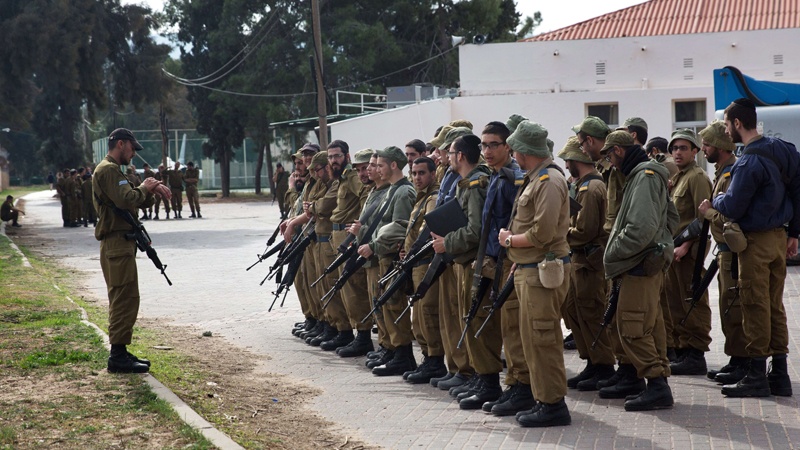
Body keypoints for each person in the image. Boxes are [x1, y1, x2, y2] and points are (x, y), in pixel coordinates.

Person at [704, 98, 799, 398]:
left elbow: (732, 205)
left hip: (755, 243)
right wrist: (794, 232)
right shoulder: (783, 149)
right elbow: (797, 189)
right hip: (778, 238)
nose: (726, 131)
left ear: (736, 124)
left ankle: (757, 375)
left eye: (727, 124)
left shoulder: (748, 161)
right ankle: (780, 375)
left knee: (754, 305)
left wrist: (712, 203)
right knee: (775, 306)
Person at [498, 120, 571, 427]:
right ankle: (543, 399)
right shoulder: (536, 178)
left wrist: (510, 241)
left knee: (543, 339)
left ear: (526, 151)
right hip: (530, 269)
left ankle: (553, 405)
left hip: (543, 273)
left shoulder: (549, 182)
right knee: (532, 339)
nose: (512, 154)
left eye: (514, 149)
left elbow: (542, 232)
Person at [599, 130, 676, 411]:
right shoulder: (646, 175)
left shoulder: (644, 177)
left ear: (618, 151)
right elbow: (672, 218)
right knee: (649, 325)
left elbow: (641, 228)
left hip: (637, 264)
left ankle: (657, 386)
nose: (610, 162)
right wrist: (662, 244)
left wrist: (614, 252)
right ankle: (654, 382)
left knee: (633, 327)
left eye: (609, 155)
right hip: (644, 262)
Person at [92, 128, 171, 373]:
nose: (134, 154)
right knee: (122, 298)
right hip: (116, 243)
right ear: (121, 144)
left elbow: (136, 199)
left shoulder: (118, 171)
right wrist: (145, 188)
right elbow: (126, 200)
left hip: (122, 243)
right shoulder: (108, 170)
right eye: (132, 149)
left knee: (128, 297)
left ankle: (121, 350)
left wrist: (151, 190)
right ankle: (117, 356)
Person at [430, 133, 496, 408]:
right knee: (465, 319)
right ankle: (479, 376)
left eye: (451, 152)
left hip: (474, 261)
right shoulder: (466, 183)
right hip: (463, 260)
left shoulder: (476, 184)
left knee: (476, 319)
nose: (446, 157)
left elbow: (475, 230)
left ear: (461, 156)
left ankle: (487, 380)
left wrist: (448, 242)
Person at [475, 120, 533, 416]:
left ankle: (522, 386)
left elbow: (520, 221)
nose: (486, 150)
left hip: (510, 260)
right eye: (483, 145)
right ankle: (512, 384)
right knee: (503, 325)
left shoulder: (513, 178)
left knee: (513, 327)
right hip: (494, 262)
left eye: (492, 144)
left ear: (508, 146)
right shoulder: (496, 176)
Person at [558, 136, 614, 392]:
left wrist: (559, 232)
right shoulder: (581, 186)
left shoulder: (591, 189)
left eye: (568, 160)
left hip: (590, 262)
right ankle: (591, 360)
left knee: (591, 313)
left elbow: (585, 230)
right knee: (574, 310)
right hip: (579, 261)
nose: (566, 164)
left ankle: (602, 364)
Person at [696, 120, 747, 383]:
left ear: (720, 147)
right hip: (724, 250)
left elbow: (730, 218)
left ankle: (742, 362)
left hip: (732, 249)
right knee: (728, 307)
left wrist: (708, 213)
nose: (702, 148)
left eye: (706, 144)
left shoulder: (730, 174)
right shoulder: (722, 172)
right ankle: (735, 359)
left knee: (734, 309)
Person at [360, 146, 417, 376]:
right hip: (383, 256)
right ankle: (394, 351)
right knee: (385, 305)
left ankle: (403, 355)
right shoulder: (393, 190)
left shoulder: (403, 192)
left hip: (391, 257)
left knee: (394, 304)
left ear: (393, 165)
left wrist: (374, 244)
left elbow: (400, 228)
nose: (377, 169)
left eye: (381, 165)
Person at [664, 129, 713, 376]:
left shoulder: (697, 177)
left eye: (683, 148)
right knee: (676, 304)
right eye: (674, 148)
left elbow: (703, 220)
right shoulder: (679, 177)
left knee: (693, 302)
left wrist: (687, 246)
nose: (677, 152)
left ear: (695, 151)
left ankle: (695, 354)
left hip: (688, 254)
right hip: (675, 252)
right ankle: (683, 351)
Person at [402, 156, 446, 382]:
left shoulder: (433, 197)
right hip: (415, 262)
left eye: (421, 173)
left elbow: (426, 231)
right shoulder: (421, 198)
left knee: (427, 313)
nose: (417, 177)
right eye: (414, 173)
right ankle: (428, 357)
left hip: (425, 262)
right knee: (418, 315)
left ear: (432, 174)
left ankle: (435, 359)